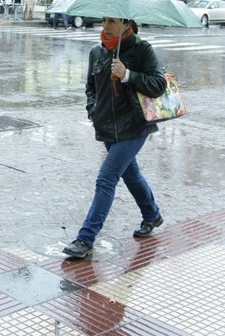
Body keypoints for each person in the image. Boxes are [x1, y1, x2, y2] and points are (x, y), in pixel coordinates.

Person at [63, 17, 167, 259]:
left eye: (112, 21)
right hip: (107, 127)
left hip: (134, 127)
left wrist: (128, 74)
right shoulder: (96, 52)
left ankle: (85, 239)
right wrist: (93, 109)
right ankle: (152, 214)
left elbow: (159, 84)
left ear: (127, 25)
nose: (106, 26)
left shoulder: (142, 50)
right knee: (131, 174)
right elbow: (91, 87)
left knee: (106, 178)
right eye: (104, 20)